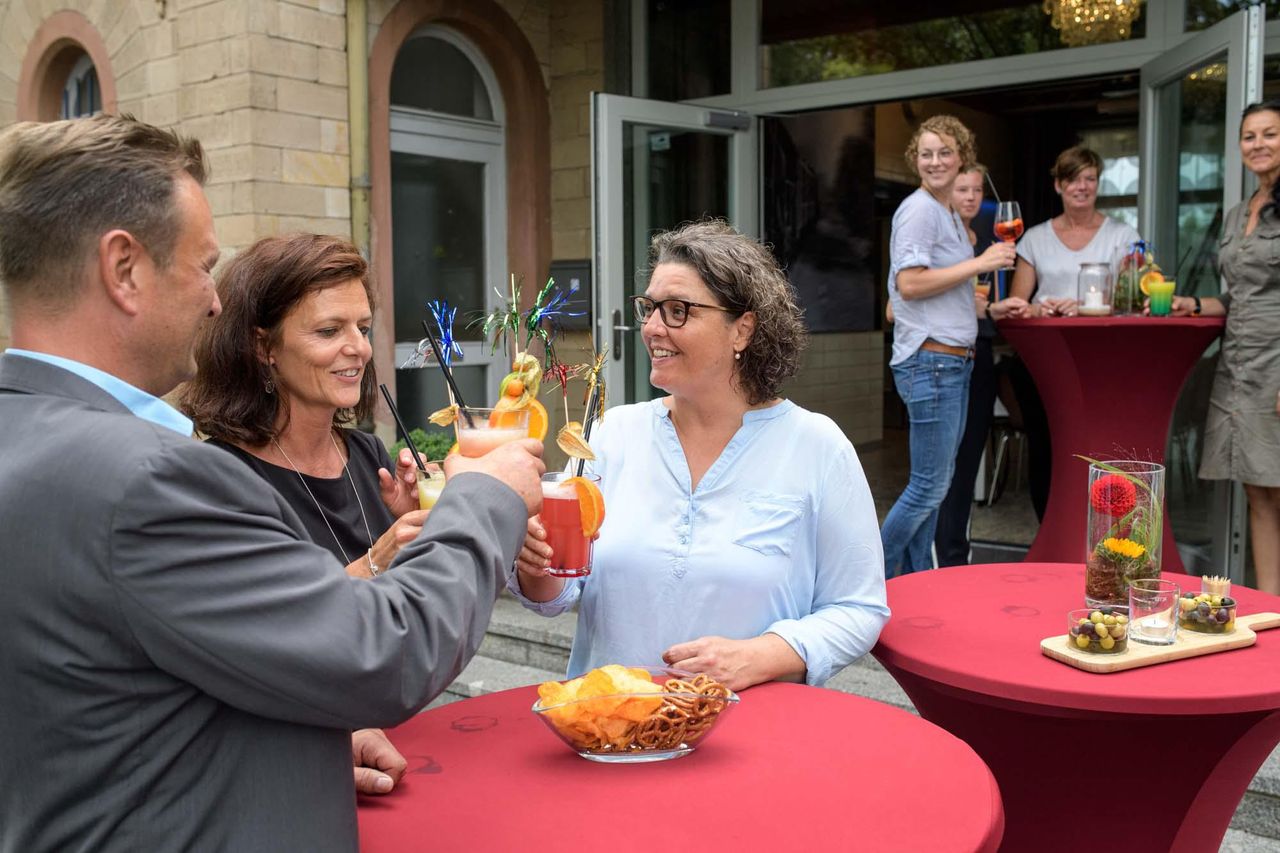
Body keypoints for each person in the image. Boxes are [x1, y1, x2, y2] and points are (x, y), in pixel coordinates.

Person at [0, 114, 545, 851]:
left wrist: (293, 747)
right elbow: (382, 652)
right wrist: (488, 493)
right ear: (123, 269)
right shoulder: (151, 477)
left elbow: (117, 695)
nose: (214, 300)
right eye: (200, 266)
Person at [510, 220, 890, 692]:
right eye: (649, 309)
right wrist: (535, 565)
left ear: (742, 330)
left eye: (677, 311)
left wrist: (761, 655)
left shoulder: (816, 446)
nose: (650, 327)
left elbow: (859, 608)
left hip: (751, 738)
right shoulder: (611, 434)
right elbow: (560, 590)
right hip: (612, 730)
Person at [182, 234, 426, 579]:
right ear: (263, 347)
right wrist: (376, 561)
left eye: (363, 328)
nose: (360, 348)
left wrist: (413, 521)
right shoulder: (220, 476)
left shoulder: (367, 453)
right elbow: (262, 621)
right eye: (329, 331)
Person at [880, 115, 1024, 576]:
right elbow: (909, 285)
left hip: (949, 360)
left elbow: (941, 292)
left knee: (936, 486)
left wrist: (987, 309)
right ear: (915, 160)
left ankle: (917, 581)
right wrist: (980, 261)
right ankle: (864, 582)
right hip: (932, 362)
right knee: (928, 486)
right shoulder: (920, 210)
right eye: (926, 153)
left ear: (962, 156)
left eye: (944, 152)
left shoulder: (944, 211)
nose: (936, 161)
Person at [1165, 101, 1280, 595]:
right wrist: (1193, 302)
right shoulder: (1239, 213)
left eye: (1270, 134)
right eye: (1249, 136)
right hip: (1238, 364)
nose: (1258, 144)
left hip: (1276, 362)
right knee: (1258, 489)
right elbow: (1235, 297)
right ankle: (1272, 605)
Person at [1007, 146, 1141, 520]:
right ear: (1058, 184)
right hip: (1043, 363)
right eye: (1073, 179)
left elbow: (1133, 299)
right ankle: (1049, 527)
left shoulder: (1123, 235)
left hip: (1104, 362)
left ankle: (1100, 532)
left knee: (1101, 449)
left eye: (1089, 179)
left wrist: (1084, 307)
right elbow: (1019, 303)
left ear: (1098, 184)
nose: (1082, 187)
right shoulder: (1034, 238)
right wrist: (1041, 307)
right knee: (1046, 449)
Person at [935, 163, 1000, 566]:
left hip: (982, 355)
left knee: (970, 459)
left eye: (977, 189)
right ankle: (940, 557)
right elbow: (899, 302)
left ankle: (960, 551)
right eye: (963, 189)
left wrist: (992, 307)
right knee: (943, 471)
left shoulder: (984, 240)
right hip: (943, 360)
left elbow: (981, 302)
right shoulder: (938, 239)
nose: (972, 197)